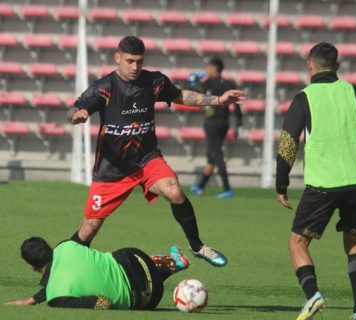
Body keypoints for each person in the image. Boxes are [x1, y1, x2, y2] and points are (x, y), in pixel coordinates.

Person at [66, 36, 245, 267]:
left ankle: (197, 246)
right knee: (89, 228)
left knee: (174, 191)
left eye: (139, 61)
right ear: (117, 58)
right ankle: (62, 264)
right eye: (130, 61)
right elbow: (75, 108)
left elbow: (182, 96)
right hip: (113, 169)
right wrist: (76, 116)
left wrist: (218, 100)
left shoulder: (154, 82)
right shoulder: (105, 87)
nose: (135, 67)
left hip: (146, 160)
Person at [275, 42, 356, 320]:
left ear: (310, 65)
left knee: (297, 243)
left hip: (323, 185)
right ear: (338, 65)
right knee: (354, 244)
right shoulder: (355, 93)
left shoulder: (304, 98)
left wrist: (281, 183)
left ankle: (313, 296)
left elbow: (287, 143)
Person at [5, 236, 189, 310]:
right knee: (118, 260)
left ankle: (171, 265)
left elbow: (103, 302)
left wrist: (35, 299)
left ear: (30, 265)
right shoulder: (66, 246)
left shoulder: (56, 297)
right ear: (51, 246)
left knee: (130, 287)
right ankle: (171, 262)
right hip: (137, 259)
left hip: (150, 298)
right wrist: (35, 298)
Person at [189, 57, 243, 199]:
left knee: (216, 154)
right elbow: (236, 102)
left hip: (212, 122)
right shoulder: (228, 83)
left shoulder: (207, 83)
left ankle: (227, 188)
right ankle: (200, 187)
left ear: (215, 68)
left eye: (209, 66)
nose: (207, 68)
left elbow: (193, 94)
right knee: (212, 155)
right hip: (224, 122)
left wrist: (193, 82)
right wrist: (238, 122)